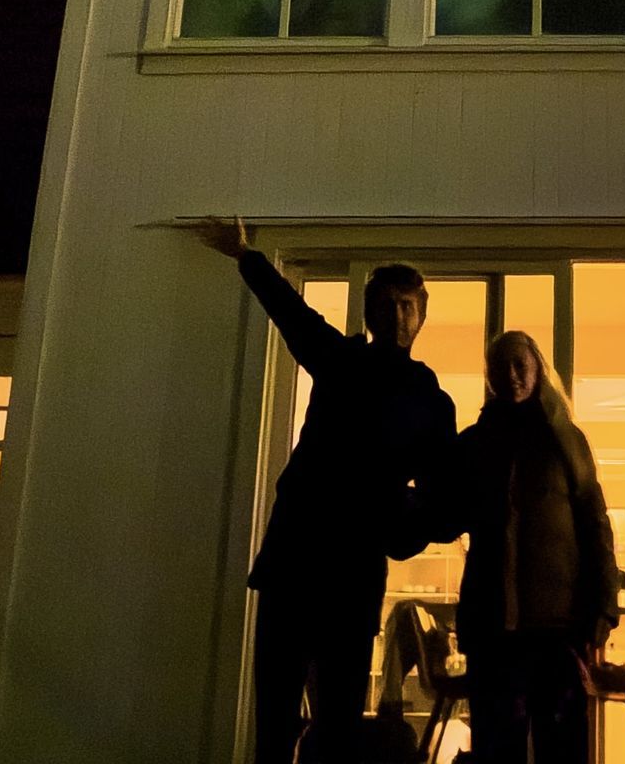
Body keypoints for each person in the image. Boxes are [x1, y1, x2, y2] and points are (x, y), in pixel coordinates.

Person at [191, 216, 456, 764]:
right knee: (278, 723)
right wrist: (246, 256)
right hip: (297, 564)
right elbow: (293, 314)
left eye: (407, 306)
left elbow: (439, 497)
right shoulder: (345, 363)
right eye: (388, 305)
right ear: (371, 313)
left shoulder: (428, 401)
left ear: (422, 316)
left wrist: (402, 525)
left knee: (334, 728)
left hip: (347, 574)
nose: (397, 316)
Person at [436, 329, 622, 764]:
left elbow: (595, 523)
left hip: (558, 625)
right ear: (490, 377)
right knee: (500, 745)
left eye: (520, 364)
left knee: (561, 745)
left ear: (539, 368)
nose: (512, 375)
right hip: (493, 626)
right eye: (501, 367)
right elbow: (446, 513)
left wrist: (604, 606)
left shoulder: (565, 441)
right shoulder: (476, 444)